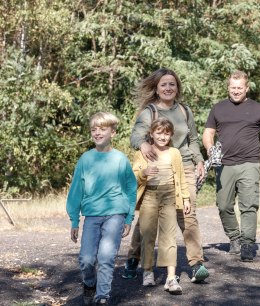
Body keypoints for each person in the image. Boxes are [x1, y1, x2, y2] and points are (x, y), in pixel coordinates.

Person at [123, 68, 209, 283]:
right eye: (164, 84)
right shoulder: (149, 112)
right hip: (156, 167)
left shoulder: (185, 111)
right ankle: (134, 257)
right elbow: (136, 135)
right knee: (148, 218)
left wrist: (199, 160)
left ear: (177, 87)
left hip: (185, 166)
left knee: (188, 214)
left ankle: (196, 263)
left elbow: (194, 140)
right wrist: (143, 143)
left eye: (172, 84)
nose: (168, 88)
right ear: (157, 88)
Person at [202, 70, 260, 262]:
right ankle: (234, 238)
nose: (236, 91)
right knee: (223, 205)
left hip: (249, 162)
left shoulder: (257, 109)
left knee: (249, 205)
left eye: (239, 88)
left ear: (246, 88)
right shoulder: (218, 108)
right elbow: (208, 133)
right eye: (233, 87)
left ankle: (247, 243)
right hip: (224, 164)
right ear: (228, 87)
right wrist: (210, 149)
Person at [66, 112, 137, 306]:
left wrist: (129, 217)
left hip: (116, 213)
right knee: (87, 259)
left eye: (102, 129)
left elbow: (131, 188)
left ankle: (102, 295)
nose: (97, 133)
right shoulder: (86, 159)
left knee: (106, 256)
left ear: (113, 132)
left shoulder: (120, 159)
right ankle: (90, 284)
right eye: (93, 129)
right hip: (92, 215)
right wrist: (74, 220)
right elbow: (76, 191)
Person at [133, 118, 190, 294]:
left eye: (166, 133)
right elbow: (132, 177)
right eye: (158, 133)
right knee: (147, 235)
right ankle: (148, 271)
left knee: (169, 237)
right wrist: (144, 173)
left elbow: (181, 177)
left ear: (171, 134)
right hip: (149, 196)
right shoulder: (142, 153)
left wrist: (186, 198)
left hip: (169, 197)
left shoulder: (174, 153)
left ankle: (171, 278)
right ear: (151, 134)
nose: (162, 137)